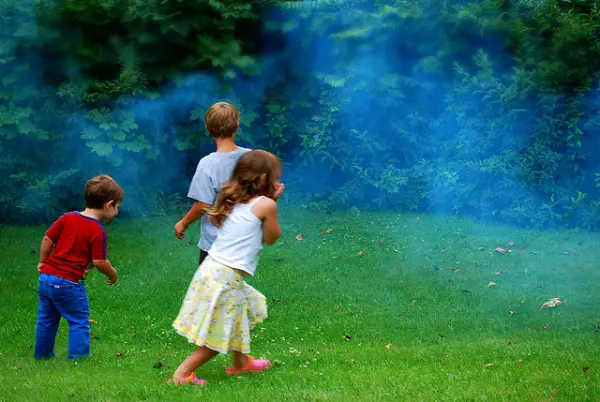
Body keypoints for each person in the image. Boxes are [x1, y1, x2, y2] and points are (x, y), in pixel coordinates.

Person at [171, 150, 285, 386]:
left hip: (214, 270)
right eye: (275, 177)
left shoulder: (235, 199)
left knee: (246, 309)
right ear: (263, 179)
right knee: (217, 336)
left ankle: (241, 363)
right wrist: (274, 201)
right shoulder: (265, 205)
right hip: (225, 277)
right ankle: (182, 374)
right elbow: (272, 237)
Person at [34, 174, 123, 359]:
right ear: (108, 204)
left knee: (46, 320)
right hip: (68, 283)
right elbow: (100, 261)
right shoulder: (97, 230)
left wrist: (43, 261)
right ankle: (78, 360)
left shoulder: (68, 218)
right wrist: (112, 274)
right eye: (117, 207)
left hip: (46, 278)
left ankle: (42, 356)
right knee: (79, 321)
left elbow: (48, 238)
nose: (117, 212)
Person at [174, 101, 251, 266]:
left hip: (216, 244)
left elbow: (203, 204)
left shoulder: (208, 164)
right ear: (236, 127)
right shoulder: (250, 158)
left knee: (207, 289)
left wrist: (183, 223)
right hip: (243, 239)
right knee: (230, 286)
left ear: (209, 130)